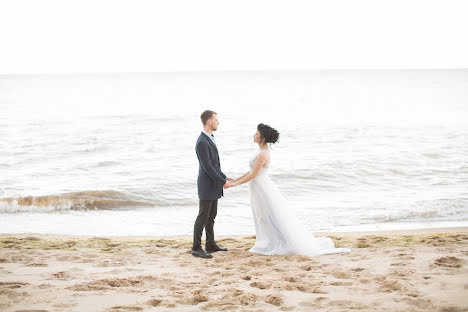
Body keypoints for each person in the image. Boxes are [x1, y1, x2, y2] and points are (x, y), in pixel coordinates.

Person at [230, 123, 351, 256]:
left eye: (257, 134)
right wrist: (233, 180)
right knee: (262, 216)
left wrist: (234, 185)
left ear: (262, 137)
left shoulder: (262, 154)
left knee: (269, 215)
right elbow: (251, 172)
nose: (254, 135)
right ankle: (271, 240)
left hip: (262, 188)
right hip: (257, 187)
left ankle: (280, 242)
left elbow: (253, 174)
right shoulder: (260, 151)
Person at [192, 110, 232, 259]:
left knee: (211, 216)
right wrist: (222, 182)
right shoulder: (202, 141)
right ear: (209, 121)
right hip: (206, 185)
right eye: (216, 119)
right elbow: (207, 166)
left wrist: (224, 177)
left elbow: (214, 165)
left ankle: (210, 244)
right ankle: (196, 247)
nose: (218, 122)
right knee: (203, 216)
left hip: (212, 184)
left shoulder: (209, 138)